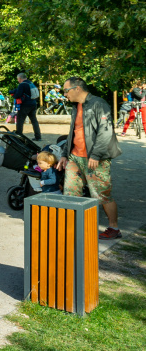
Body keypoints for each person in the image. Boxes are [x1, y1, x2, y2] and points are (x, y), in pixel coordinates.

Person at [53, 78, 123, 240]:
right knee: (70, 194)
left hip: (95, 159)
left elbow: (106, 131)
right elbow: (72, 132)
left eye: (66, 90)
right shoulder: (75, 107)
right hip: (74, 158)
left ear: (77, 89)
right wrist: (64, 154)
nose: (64, 94)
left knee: (102, 195)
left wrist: (96, 155)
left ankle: (114, 228)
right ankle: (73, 228)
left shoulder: (99, 104)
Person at [12, 72, 42, 141]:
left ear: (20, 78)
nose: (18, 80)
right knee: (34, 121)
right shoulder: (31, 83)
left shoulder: (22, 85)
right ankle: (38, 136)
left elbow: (18, 95)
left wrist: (13, 94)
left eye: (18, 79)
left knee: (20, 120)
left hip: (25, 105)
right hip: (33, 104)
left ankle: (19, 136)